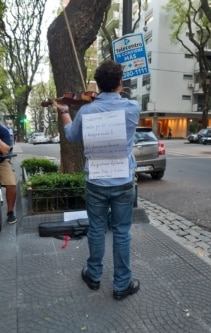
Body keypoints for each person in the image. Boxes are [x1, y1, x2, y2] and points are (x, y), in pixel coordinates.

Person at [53, 60, 140, 300]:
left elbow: (71, 136)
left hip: (96, 182)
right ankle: (122, 286)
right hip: (123, 181)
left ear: (98, 85)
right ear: (120, 83)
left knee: (97, 229)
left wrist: (64, 112)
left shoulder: (86, 111)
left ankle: (93, 275)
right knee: (122, 232)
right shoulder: (132, 108)